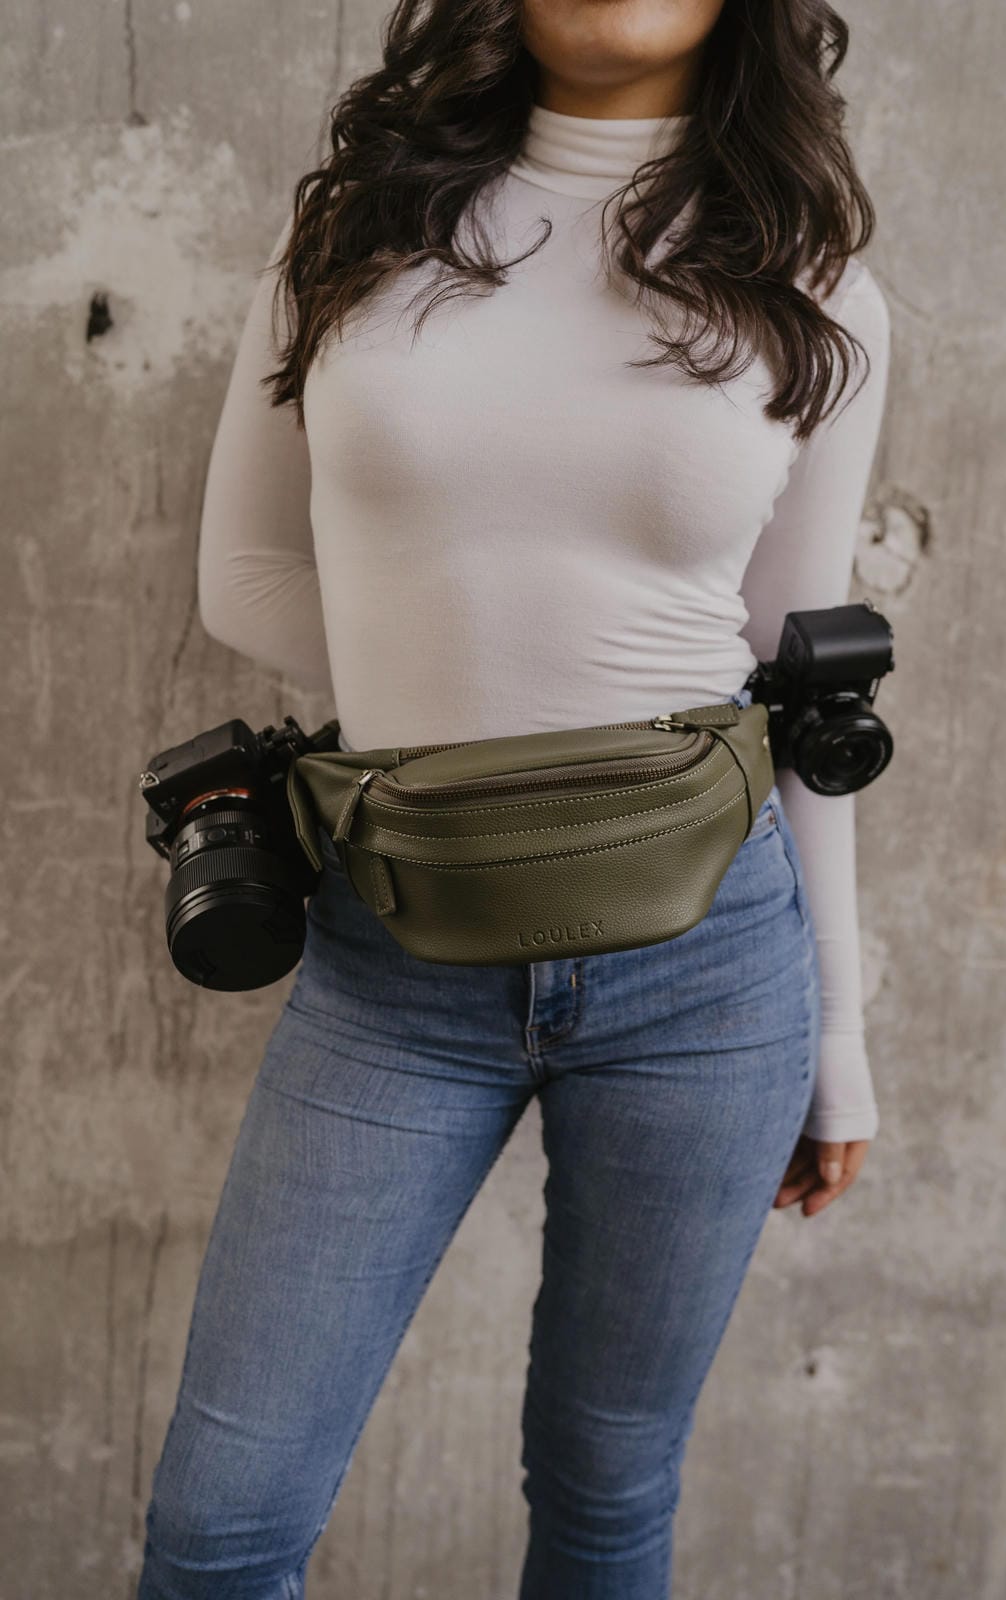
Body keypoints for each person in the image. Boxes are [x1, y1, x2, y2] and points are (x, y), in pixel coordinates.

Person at [137, 0, 890, 1594]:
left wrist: (839, 1036)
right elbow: (247, 573)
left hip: (711, 970)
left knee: (609, 1495)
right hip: (392, 951)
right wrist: (493, 716)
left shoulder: (815, 283)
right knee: (223, 1528)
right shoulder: (352, 233)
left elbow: (805, 682)